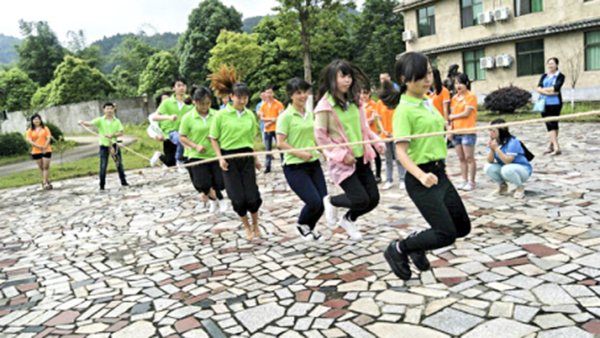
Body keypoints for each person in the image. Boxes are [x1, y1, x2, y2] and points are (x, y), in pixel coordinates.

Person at [380, 52, 471, 281]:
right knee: (445, 234)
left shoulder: (427, 102)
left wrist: (442, 159)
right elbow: (400, 152)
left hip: (439, 172)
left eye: (429, 73)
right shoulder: (404, 111)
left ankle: (416, 246)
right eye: (421, 75)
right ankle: (400, 248)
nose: (427, 79)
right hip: (421, 178)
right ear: (404, 79)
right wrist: (421, 175)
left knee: (462, 227)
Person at [315, 60, 385, 240]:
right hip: (343, 162)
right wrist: (341, 154)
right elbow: (321, 138)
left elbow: (364, 129)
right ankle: (331, 201)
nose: (348, 80)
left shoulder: (356, 100)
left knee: (373, 199)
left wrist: (377, 142)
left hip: (362, 157)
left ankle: (348, 219)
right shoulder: (325, 107)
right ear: (333, 78)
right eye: (343, 76)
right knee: (360, 199)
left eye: (349, 76)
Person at [208, 65, 263, 241]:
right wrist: (220, 158)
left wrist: (255, 159)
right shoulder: (221, 116)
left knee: (252, 195)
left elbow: (250, 140)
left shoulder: (249, 115)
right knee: (237, 197)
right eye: (239, 97)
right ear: (231, 97)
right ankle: (246, 227)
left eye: (245, 97)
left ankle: (255, 223)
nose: (242, 100)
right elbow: (213, 138)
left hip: (246, 156)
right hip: (229, 158)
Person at [277, 78, 327, 241]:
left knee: (324, 200)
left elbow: (315, 137)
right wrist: (300, 153)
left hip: (313, 163)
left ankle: (309, 228)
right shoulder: (285, 116)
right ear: (291, 95)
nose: (303, 96)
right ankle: (302, 223)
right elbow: (280, 142)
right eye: (299, 93)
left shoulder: (310, 115)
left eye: (305, 92)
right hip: (294, 166)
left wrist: (324, 152)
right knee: (313, 201)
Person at [179, 86, 228, 214]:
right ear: (194, 101)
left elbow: (224, 132)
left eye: (208, 103)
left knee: (219, 181)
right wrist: (195, 146)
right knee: (202, 183)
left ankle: (217, 197)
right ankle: (216, 199)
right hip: (197, 155)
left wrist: (215, 137)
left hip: (214, 153)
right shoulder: (188, 118)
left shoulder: (217, 115)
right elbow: (182, 137)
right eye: (202, 103)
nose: (205, 106)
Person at [78, 103, 129, 191]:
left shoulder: (117, 121)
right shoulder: (100, 120)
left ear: (113, 110)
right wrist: (82, 122)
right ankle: (102, 185)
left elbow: (121, 132)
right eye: (107, 109)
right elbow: (90, 123)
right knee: (103, 165)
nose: (109, 110)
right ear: (104, 110)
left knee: (119, 164)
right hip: (103, 146)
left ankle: (123, 182)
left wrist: (112, 135)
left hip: (114, 145)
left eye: (111, 109)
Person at [151, 77, 195, 173]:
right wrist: (168, 117)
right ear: (173, 88)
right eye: (178, 85)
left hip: (187, 130)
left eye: (183, 85)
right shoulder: (167, 102)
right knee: (180, 140)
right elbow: (154, 117)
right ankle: (180, 161)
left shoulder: (190, 101)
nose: (181, 88)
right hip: (172, 131)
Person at [484, 119, 532, 199]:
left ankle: (519, 187)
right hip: (505, 168)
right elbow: (490, 161)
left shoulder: (513, 141)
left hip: (522, 169)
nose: (491, 133)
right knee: (488, 167)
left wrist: (496, 149)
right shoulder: (494, 142)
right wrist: (492, 150)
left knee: (507, 169)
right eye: (490, 131)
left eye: (494, 131)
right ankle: (502, 185)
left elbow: (508, 160)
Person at [449, 73, 478, 191]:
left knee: (469, 157)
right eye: (456, 83)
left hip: (468, 131)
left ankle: (472, 181)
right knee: (461, 158)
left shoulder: (471, 97)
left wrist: (453, 117)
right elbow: (451, 116)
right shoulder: (454, 99)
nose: (458, 86)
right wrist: (451, 130)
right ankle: (464, 180)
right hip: (456, 132)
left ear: (466, 83)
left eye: (460, 82)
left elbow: (466, 113)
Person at [376, 84, 406, 190]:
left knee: (399, 157)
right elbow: (378, 118)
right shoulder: (379, 103)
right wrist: (383, 130)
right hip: (385, 135)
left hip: (396, 134)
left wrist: (395, 131)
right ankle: (388, 180)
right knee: (388, 158)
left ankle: (402, 179)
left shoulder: (397, 102)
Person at [536, 57, 565, 156]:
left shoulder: (560, 76)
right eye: (548, 63)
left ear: (557, 65)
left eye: (552, 63)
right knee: (549, 124)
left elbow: (556, 89)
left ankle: (555, 147)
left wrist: (543, 91)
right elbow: (538, 88)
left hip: (555, 103)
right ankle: (552, 146)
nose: (550, 65)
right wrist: (548, 92)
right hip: (544, 103)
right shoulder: (544, 76)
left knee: (553, 124)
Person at [259, 87, 285, 173]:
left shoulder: (278, 104)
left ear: (273, 93)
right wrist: (273, 120)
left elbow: (281, 116)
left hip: (277, 129)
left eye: (270, 93)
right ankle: (268, 166)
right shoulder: (263, 106)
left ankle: (284, 163)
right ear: (265, 94)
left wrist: (269, 122)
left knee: (280, 147)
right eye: (267, 93)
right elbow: (262, 117)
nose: (269, 95)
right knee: (268, 149)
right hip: (267, 130)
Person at [26, 114, 53, 190]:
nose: (37, 121)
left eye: (38, 119)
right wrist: (39, 146)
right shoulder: (30, 130)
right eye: (35, 119)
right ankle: (47, 181)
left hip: (46, 149)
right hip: (36, 151)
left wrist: (45, 146)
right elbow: (30, 141)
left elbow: (48, 138)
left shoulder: (45, 128)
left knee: (46, 167)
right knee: (41, 167)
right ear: (32, 121)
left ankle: (44, 183)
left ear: (40, 120)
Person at [149, 91, 174, 168]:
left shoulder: (175, 111)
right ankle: (159, 156)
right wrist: (157, 136)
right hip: (167, 139)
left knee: (178, 158)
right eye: (163, 100)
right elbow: (150, 129)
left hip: (178, 137)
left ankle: (165, 165)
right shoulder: (157, 115)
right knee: (171, 161)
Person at [362, 88, 382, 183]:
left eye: (365, 93)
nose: (364, 95)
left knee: (376, 154)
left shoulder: (373, 104)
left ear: (369, 93)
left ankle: (378, 175)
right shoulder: (359, 105)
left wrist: (364, 122)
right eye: (362, 93)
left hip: (372, 133)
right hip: (363, 135)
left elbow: (372, 118)